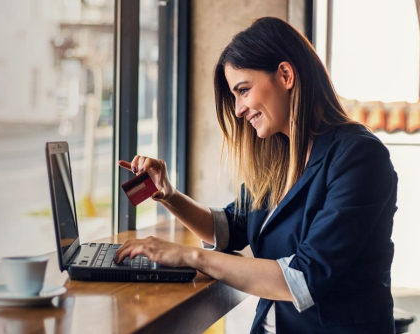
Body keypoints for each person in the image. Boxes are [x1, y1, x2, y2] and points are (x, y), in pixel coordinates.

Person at [113, 17, 398, 333]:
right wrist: (169, 195)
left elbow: (303, 280)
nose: (237, 110)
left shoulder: (359, 157)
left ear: (286, 75)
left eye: (243, 90)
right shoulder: (281, 154)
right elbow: (231, 228)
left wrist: (190, 256)